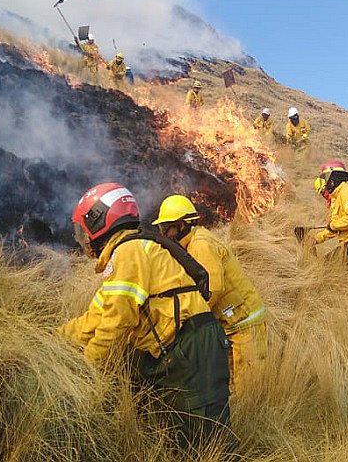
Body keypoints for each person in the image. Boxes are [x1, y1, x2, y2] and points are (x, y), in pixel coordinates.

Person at [59, 183, 231, 448]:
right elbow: (96, 318)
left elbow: (117, 323)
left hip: (193, 348)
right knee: (176, 437)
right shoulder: (129, 254)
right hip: (184, 347)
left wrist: (86, 369)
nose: (83, 239)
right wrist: (53, 338)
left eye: (83, 230)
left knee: (204, 445)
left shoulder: (129, 252)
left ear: (99, 220)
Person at [152, 194, 269, 377]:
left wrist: (185, 324)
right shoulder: (192, 244)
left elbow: (211, 290)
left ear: (182, 225)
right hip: (233, 324)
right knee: (233, 385)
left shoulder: (200, 245)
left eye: (167, 228)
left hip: (245, 324)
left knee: (250, 389)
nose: (164, 234)